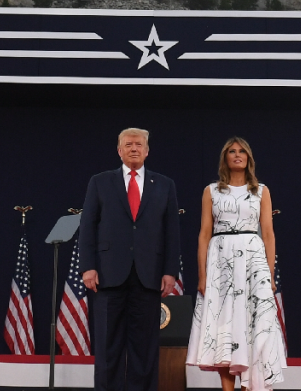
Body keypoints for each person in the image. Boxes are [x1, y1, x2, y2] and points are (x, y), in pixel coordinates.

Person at [78, 128, 182, 391]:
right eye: (128, 144)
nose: (134, 148)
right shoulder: (100, 182)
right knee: (107, 347)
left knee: (145, 350)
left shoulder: (165, 185)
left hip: (149, 276)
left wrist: (170, 271)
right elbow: (88, 227)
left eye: (139, 144)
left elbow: (172, 232)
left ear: (147, 151)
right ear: (119, 150)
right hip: (108, 274)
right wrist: (88, 267)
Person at [187, 137, 286, 391]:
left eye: (242, 151)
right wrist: (202, 276)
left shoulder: (261, 191)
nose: (237, 155)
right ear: (225, 158)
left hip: (254, 264)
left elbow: (268, 234)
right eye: (232, 151)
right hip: (220, 262)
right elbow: (204, 234)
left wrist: (270, 274)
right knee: (224, 326)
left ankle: (249, 386)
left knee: (254, 326)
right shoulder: (211, 191)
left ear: (249, 158)